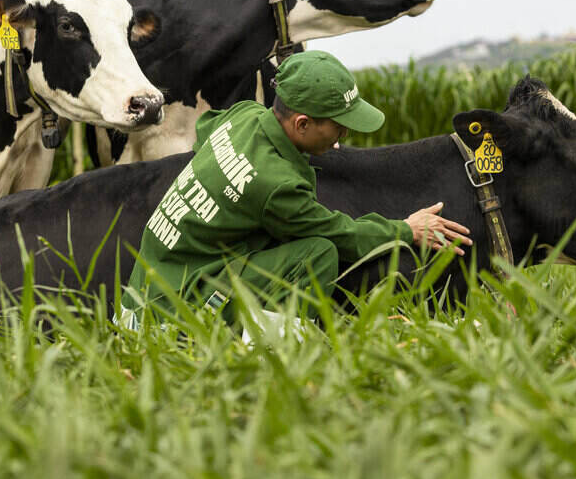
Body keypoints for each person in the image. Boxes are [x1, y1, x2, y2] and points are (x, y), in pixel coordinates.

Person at [121, 50, 471, 328]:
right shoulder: (276, 185)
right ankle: (273, 347)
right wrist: (405, 229)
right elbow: (341, 234)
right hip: (171, 313)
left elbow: (207, 131)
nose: (344, 136)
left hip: (142, 292)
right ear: (302, 123)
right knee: (318, 253)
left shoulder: (244, 115)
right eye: (339, 126)